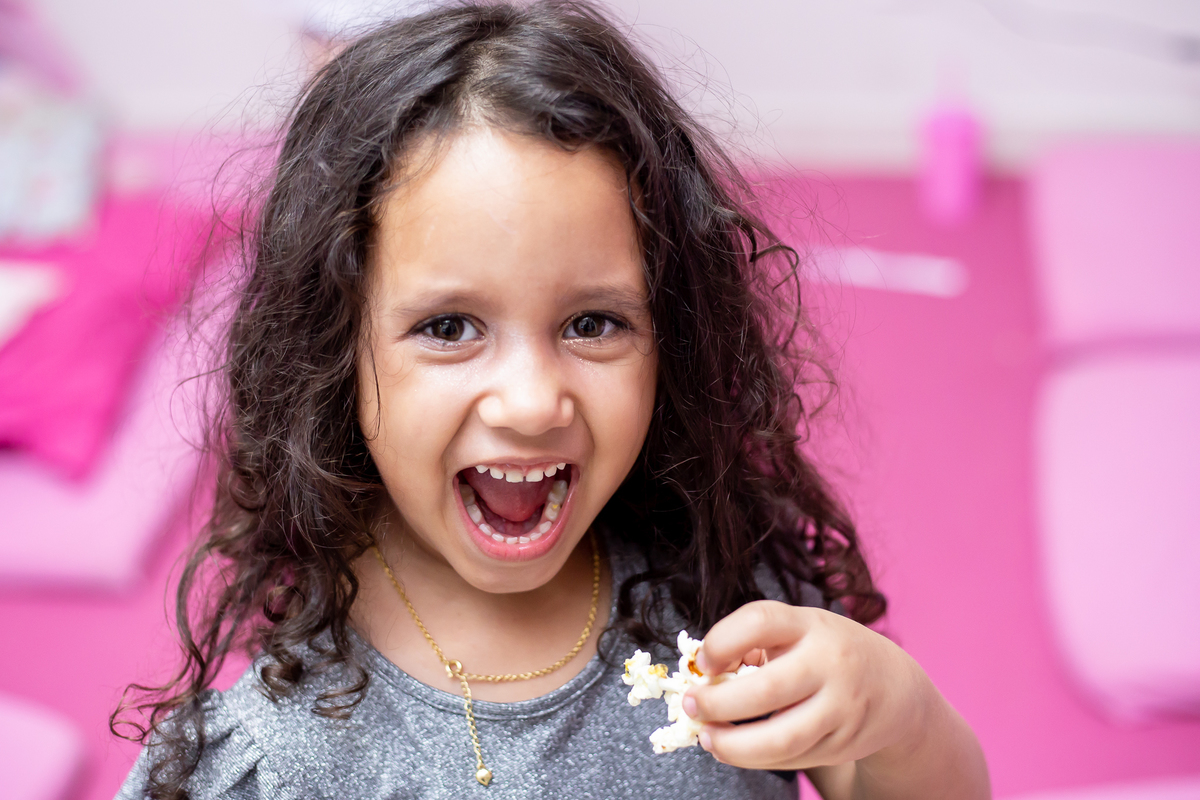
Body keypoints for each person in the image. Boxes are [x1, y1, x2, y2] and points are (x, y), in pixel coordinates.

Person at [113, 2, 990, 798]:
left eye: (592, 323)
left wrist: (902, 718)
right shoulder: (280, 764)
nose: (533, 404)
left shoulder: (717, 590)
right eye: (450, 327)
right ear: (335, 349)